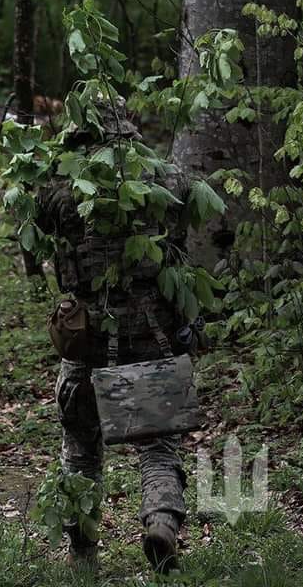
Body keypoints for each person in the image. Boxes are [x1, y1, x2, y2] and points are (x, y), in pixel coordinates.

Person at [36, 96, 193, 574]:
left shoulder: (57, 189)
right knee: (158, 445)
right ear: (128, 127)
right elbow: (182, 244)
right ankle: (161, 523)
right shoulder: (167, 179)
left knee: (81, 450)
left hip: (87, 339)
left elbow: (38, 227)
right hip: (151, 335)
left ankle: (82, 555)